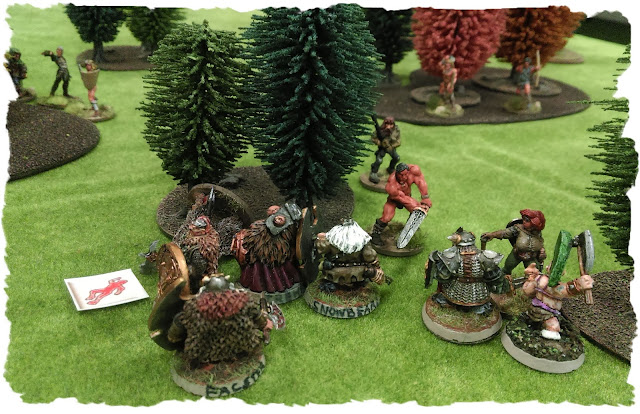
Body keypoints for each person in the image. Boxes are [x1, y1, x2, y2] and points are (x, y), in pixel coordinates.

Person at [427, 227, 509, 316]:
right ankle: (480, 309)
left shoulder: (453, 257)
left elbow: (444, 277)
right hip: (479, 292)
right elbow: (495, 277)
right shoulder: (484, 256)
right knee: (481, 307)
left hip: (456, 291)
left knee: (443, 298)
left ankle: (458, 306)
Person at [521, 263, 593, 340]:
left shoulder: (541, 279)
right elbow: (562, 290)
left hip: (543, 310)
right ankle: (548, 335)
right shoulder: (545, 282)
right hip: (542, 311)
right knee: (553, 327)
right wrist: (578, 285)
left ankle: (534, 322)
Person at [315, 219, 388, 293]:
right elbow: (369, 255)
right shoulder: (362, 241)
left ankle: (336, 286)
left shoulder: (332, 240)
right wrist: (377, 267)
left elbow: (322, 248)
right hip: (355, 272)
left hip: (339, 271)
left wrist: (320, 240)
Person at [370, 163, 431, 246]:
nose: (404, 177)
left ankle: (411, 225)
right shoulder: (391, 185)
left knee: (416, 212)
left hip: (407, 196)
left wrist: (425, 197)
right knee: (386, 217)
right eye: (401, 175)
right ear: (397, 173)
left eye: (406, 175)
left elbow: (421, 182)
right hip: (394, 199)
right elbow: (401, 198)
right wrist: (416, 206)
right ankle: (375, 234)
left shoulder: (413, 171)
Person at [481, 209, 546, 278]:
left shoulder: (537, 233)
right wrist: (492, 234)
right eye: (524, 219)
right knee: (508, 266)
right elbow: (505, 233)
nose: (524, 221)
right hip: (517, 254)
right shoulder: (518, 229)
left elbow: (540, 242)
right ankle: (504, 279)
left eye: (527, 220)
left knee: (535, 271)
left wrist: (541, 252)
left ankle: (531, 282)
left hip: (531, 256)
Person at [369, 116, 401, 184]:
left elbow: (398, 141)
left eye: (391, 124)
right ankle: (373, 172)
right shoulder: (380, 130)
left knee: (397, 158)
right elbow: (373, 138)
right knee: (379, 160)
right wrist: (379, 142)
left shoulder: (396, 131)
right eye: (387, 124)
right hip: (382, 148)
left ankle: (391, 168)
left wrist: (392, 146)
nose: (389, 126)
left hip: (390, 148)